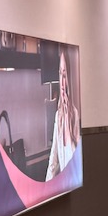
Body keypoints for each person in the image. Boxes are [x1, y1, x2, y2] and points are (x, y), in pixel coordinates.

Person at [45, 49, 80, 180]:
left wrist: (67, 122)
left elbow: (75, 163)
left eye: (64, 75)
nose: (62, 81)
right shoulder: (58, 115)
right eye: (60, 73)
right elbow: (53, 163)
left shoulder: (75, 114)